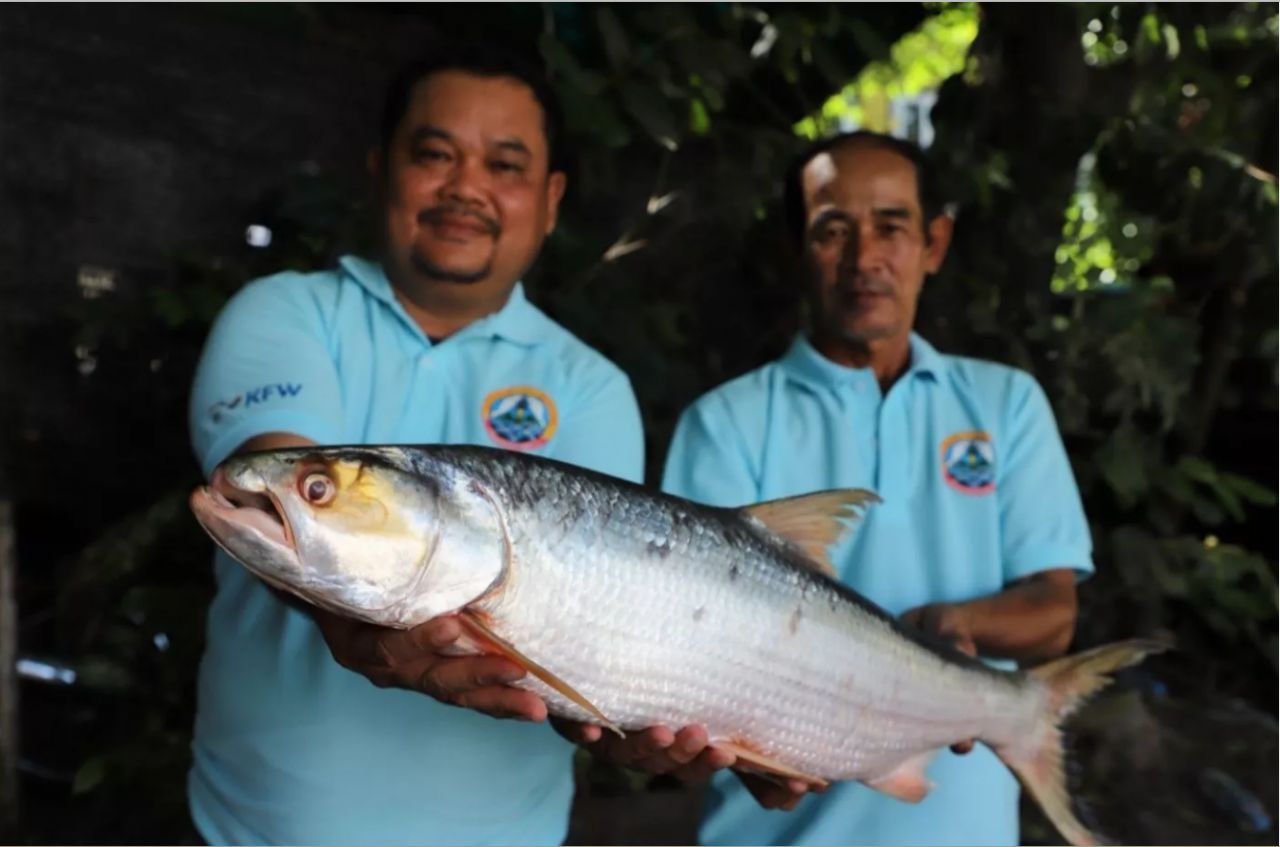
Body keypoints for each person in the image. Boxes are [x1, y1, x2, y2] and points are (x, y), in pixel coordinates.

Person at [562, 130, 1093, 846]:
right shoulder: (724, 422)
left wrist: (952, 623)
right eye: (832, 230)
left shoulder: (1006, 403)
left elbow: (1054, 612)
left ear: (934, 243)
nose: (864, 257)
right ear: (795, 250)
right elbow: (682, 674)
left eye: (891, 227)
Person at [184, 42, 645, 847]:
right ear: (380, 167)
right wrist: (348, 607)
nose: (465, 186)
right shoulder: (285, 312)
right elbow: (278, 480)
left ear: (550, 198)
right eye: (434, 153)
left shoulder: (594, 386)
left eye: (505, 165)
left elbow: (590, 631)